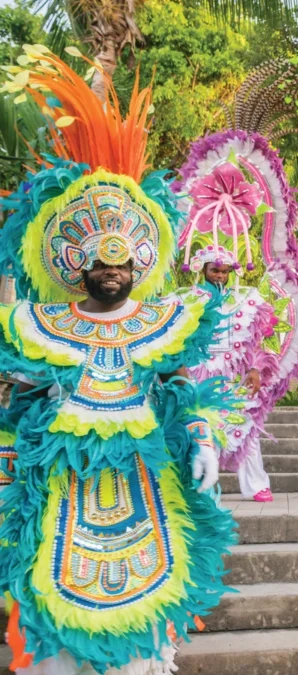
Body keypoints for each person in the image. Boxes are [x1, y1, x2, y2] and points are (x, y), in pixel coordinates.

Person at [0, 47, 234, 674]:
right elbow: (16, 406)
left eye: (121, 261)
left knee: (146, 636)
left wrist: (203, 440)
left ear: (137, 264)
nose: (111, 271)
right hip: (58, 487)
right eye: (99, 262)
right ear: (79, 267)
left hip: (147, 478)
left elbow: (185, 390)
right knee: (52, 622)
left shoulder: (165, 323)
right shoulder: (38, 327)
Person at [185, 249, 279, 503]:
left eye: (225, 271)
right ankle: (203, 488)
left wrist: (256, 368)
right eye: (214, 270)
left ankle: (257, 484)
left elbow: (256, 342)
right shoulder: (188, 301)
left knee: (246, 428)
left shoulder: (245, 301)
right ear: (202, 269)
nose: (219, 276)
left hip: (236, 377)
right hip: (199, 376)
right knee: (201, 428)